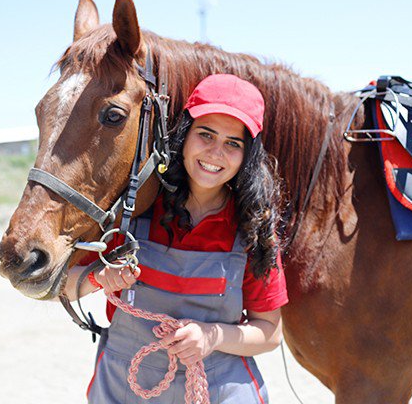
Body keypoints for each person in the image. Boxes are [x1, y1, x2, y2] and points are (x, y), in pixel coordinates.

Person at [63, 74, 288, 403]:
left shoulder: (253, 229)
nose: (215, 153)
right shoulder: (135, 209)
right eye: (206, 135)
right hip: (123, 385)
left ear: (246, 156)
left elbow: (270, 333)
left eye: (233, 144)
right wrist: (100, 277)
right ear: (184, 135)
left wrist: (212, 336)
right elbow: (62, 287)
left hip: (218, 388)